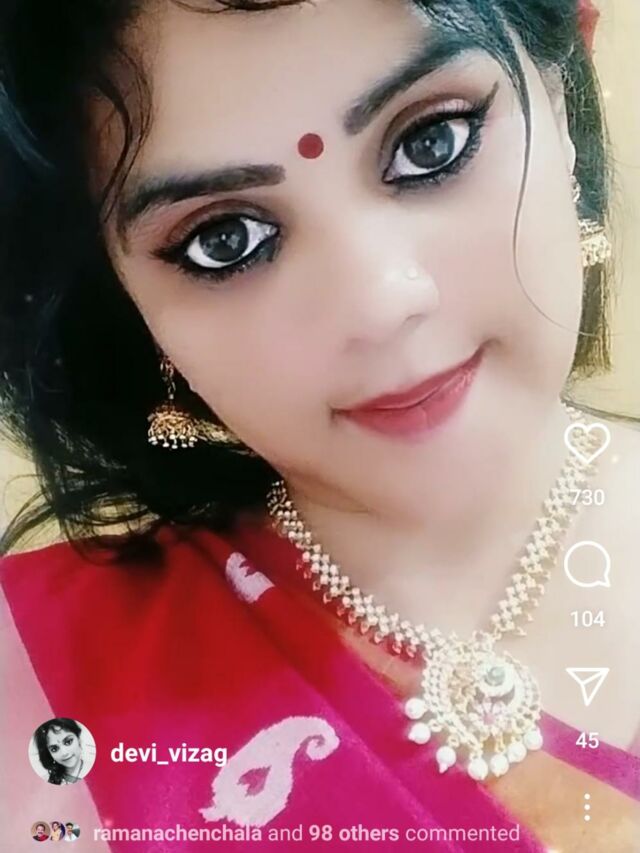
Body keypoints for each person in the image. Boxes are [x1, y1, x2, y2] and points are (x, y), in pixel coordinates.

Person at [1, 1, 639, 851]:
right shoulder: (32, 680)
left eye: (432, 142)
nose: (381, 304)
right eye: (225, 239)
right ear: (125, 299)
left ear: (563, 92)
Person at [32, 719, 86, 785]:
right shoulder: (45, 781)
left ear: (78, 739)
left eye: (68, 742)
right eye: (54, 749)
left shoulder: (95, 771)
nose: (64, 753)